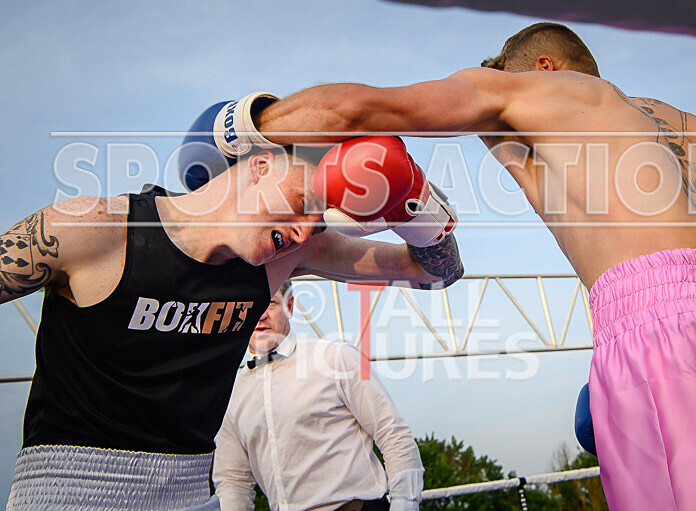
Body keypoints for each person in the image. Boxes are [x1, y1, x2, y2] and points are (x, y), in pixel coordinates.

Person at [215, 22, 696, 510]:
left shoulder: (538, 96)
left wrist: (239, 128)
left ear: (543, 68)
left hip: (663, 348)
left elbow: (347, 108)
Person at [0, 116, 462, 508]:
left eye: (317, 223)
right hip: (65, 492)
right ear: (259, 164)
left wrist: (416, 208)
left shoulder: (286, 257)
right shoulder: (93, 229)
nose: (304, 233)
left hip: (193, 495)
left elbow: (435, 274)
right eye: (304, 205)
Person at [213, 280, 423, 511]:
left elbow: (393, 434)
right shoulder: (230, 393)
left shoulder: (336, 357)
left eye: (270, 303)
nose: (260, 315)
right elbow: (233, 480)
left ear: (290, 306)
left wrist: (405, 504)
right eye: (250, 306)